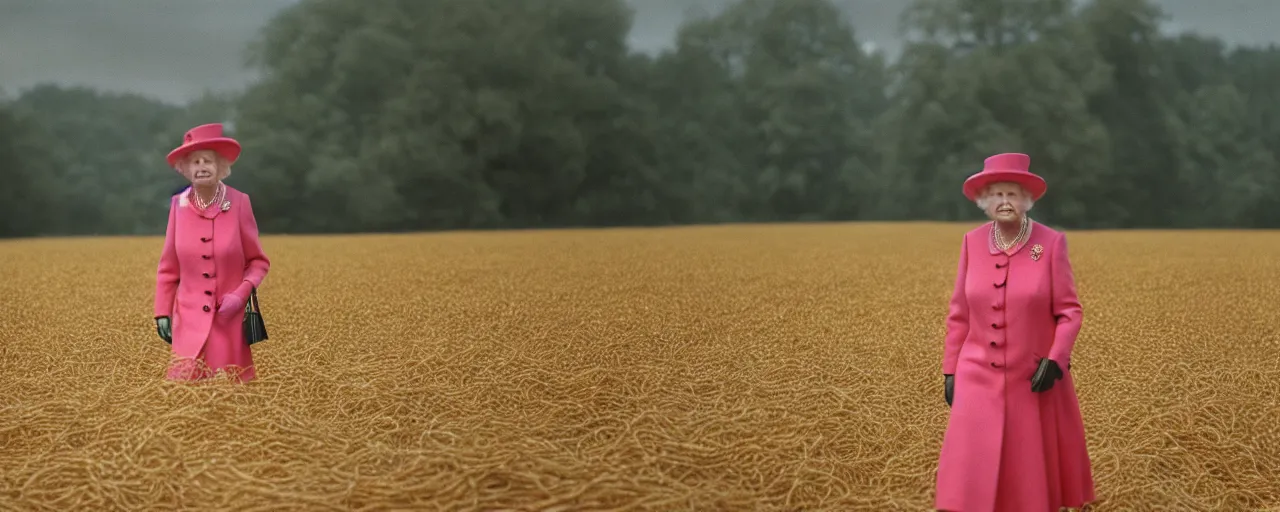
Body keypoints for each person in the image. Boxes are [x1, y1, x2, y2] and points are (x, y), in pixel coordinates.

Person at [934, 153, 1095, 511]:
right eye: (996, 195)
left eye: (1012, 194)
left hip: (1032, 376)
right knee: (970, 473)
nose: (1004, 202)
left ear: (1025, 201)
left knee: (1027, 477)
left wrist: (1056, 360)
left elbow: (1070, 311)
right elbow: (959, 312)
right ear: (985, 202)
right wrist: (950, 368)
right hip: (977, 374)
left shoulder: (1049, 244)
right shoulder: (971, 243)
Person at [153, 123, 270, 383]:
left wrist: (239, 296)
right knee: (183, 396)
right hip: (188, 323)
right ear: (185, 169)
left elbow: (258, 262)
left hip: (229, 323)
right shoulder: (177, 207)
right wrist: (162, 311)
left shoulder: (240, 203)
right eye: (195, 161)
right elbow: (168, 266)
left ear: (221, 167)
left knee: (231, 395)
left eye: (208, 161)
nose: (201, 166)